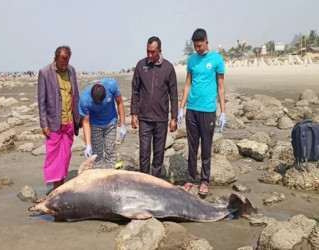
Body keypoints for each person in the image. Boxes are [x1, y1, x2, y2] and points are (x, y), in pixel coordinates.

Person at [177, 28, 226, 196]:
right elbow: (187, 84)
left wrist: (223, 111)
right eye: (195, 46)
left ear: (207, 42)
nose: (197, 49)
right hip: (192, 109)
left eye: (200, 45)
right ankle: (191, 178)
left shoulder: (217, 60)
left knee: (206, 147)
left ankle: (205, 181)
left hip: (208, 110)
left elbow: (221, 87)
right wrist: (181, 108)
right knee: (192, 146)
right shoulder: (191, 60)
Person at [131, 36, 178, 177]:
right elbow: (135, 91)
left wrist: (174, 117)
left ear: (160, 51)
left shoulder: (168, 68)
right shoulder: (141, 66)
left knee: (158, 153)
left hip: (161, 118)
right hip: (144, 118)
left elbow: (173, 94)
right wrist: (134, 113)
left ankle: (155, 181)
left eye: (153, 52)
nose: (150, 55)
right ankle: (144, 180)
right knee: (144, 152)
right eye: (148, 51)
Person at [37, 45, 82, 191]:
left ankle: (61, 182)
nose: (64, 66)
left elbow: (76, 95)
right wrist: (44, 124)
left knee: (66, 155)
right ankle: (57, 187)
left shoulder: (72, 71)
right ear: (55, 58)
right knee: (54, 156)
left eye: (66, 63)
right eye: (61, 63)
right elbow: (41, 100)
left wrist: (78, 119)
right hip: (54, 122)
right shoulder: (44, 73)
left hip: (68, 120)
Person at [79, 78, 126, 168]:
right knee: (97, 155)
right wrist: (88, 144)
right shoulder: (84, 99)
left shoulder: (111, 85)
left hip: (111, 122)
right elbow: (85, 122)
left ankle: (110, 177)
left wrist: (123, 124)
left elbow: (119, 102)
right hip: (95, 125)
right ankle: (98, 178)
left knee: (110, 152)